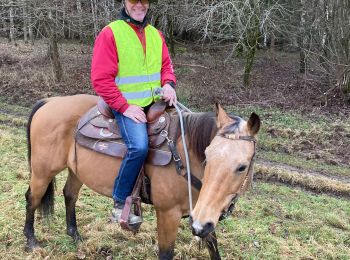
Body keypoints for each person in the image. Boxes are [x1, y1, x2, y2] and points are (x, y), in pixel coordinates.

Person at [91, 0, 177, 225]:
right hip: (125, 105)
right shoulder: (111, 33)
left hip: (154, 102)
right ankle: (120, 200)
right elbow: (100, 79)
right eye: (133, 1)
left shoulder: (156, 34)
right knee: (139, 147)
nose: (139, 5)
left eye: (144, 1)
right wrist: (125, 107)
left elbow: (166, 66)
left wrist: (168, 84)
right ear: (124, 3)